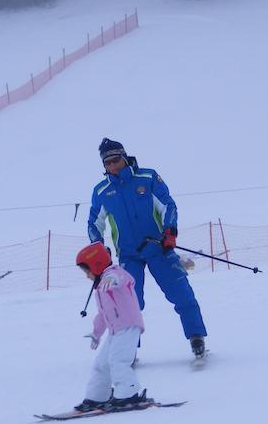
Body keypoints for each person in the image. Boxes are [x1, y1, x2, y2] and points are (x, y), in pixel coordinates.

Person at [87, 137, 207, 359]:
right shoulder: (102, 191)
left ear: (124, 157)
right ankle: (128, 350)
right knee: (128, 304)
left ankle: (196, 337)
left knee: (181, 294)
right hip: (128, 255)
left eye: (115, 160)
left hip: (158, 248)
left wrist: (169, 232)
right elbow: (95, 223)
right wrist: (98, 249)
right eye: (107, 163)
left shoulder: (148, 178)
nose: (112, 166)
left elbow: (167, 205)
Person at [73, 241, 148, 412]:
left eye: (87, 271)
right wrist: (96, 334)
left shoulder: (116, 274)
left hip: (129, 326)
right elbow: (102, 314)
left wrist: (112, 278)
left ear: (96, 264)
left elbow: (126, 280)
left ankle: (128, 394)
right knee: (101, 364)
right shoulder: (101, 287)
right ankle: (97, 397)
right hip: (115, 331)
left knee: (118, 361)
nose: (87, 276)